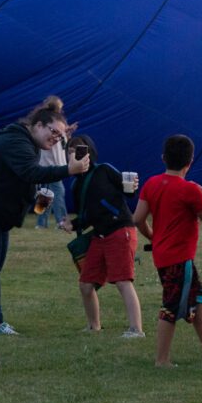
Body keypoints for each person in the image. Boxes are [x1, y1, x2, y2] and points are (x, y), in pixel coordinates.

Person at [0, 100, 89, 335]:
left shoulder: (26, 142)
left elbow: (21, 178)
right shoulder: (16, 140)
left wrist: (37, 198)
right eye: (54, 132)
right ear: (38, 125)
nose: (56, 139)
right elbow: (29, 172)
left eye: (60, 136)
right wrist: (68, 170)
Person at [133, 135, 202, 367]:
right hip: (180, 259)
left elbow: (138, 218)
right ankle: (162, 360)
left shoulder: (151, 184)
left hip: (162, 257)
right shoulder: (190, 190)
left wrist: (152, 236)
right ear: (190, 161)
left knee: (197, 298)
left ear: (163, 158)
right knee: (171, 305)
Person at [60, 134, 144, 338]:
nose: (75, 155)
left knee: (123, 280)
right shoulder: (76, 185)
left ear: (89, 152)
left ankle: (136, 329)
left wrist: (132, 185)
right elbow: (88, 214)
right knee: (86, 284)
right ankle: (93, 326)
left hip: (120, 230)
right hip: (99, 235)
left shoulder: (104, 170)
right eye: (71, 152)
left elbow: (129, 191)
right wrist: (74, 223)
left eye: (80, 150)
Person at [35, 95, 71, 229]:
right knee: (58, 192)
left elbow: (59, 141)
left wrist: (66, 133)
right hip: (52, 164)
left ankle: (41, 223)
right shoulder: (50, 121)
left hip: (48, 164)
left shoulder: (51, 121)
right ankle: (61, 221)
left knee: (45, 193)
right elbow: (53, 141)